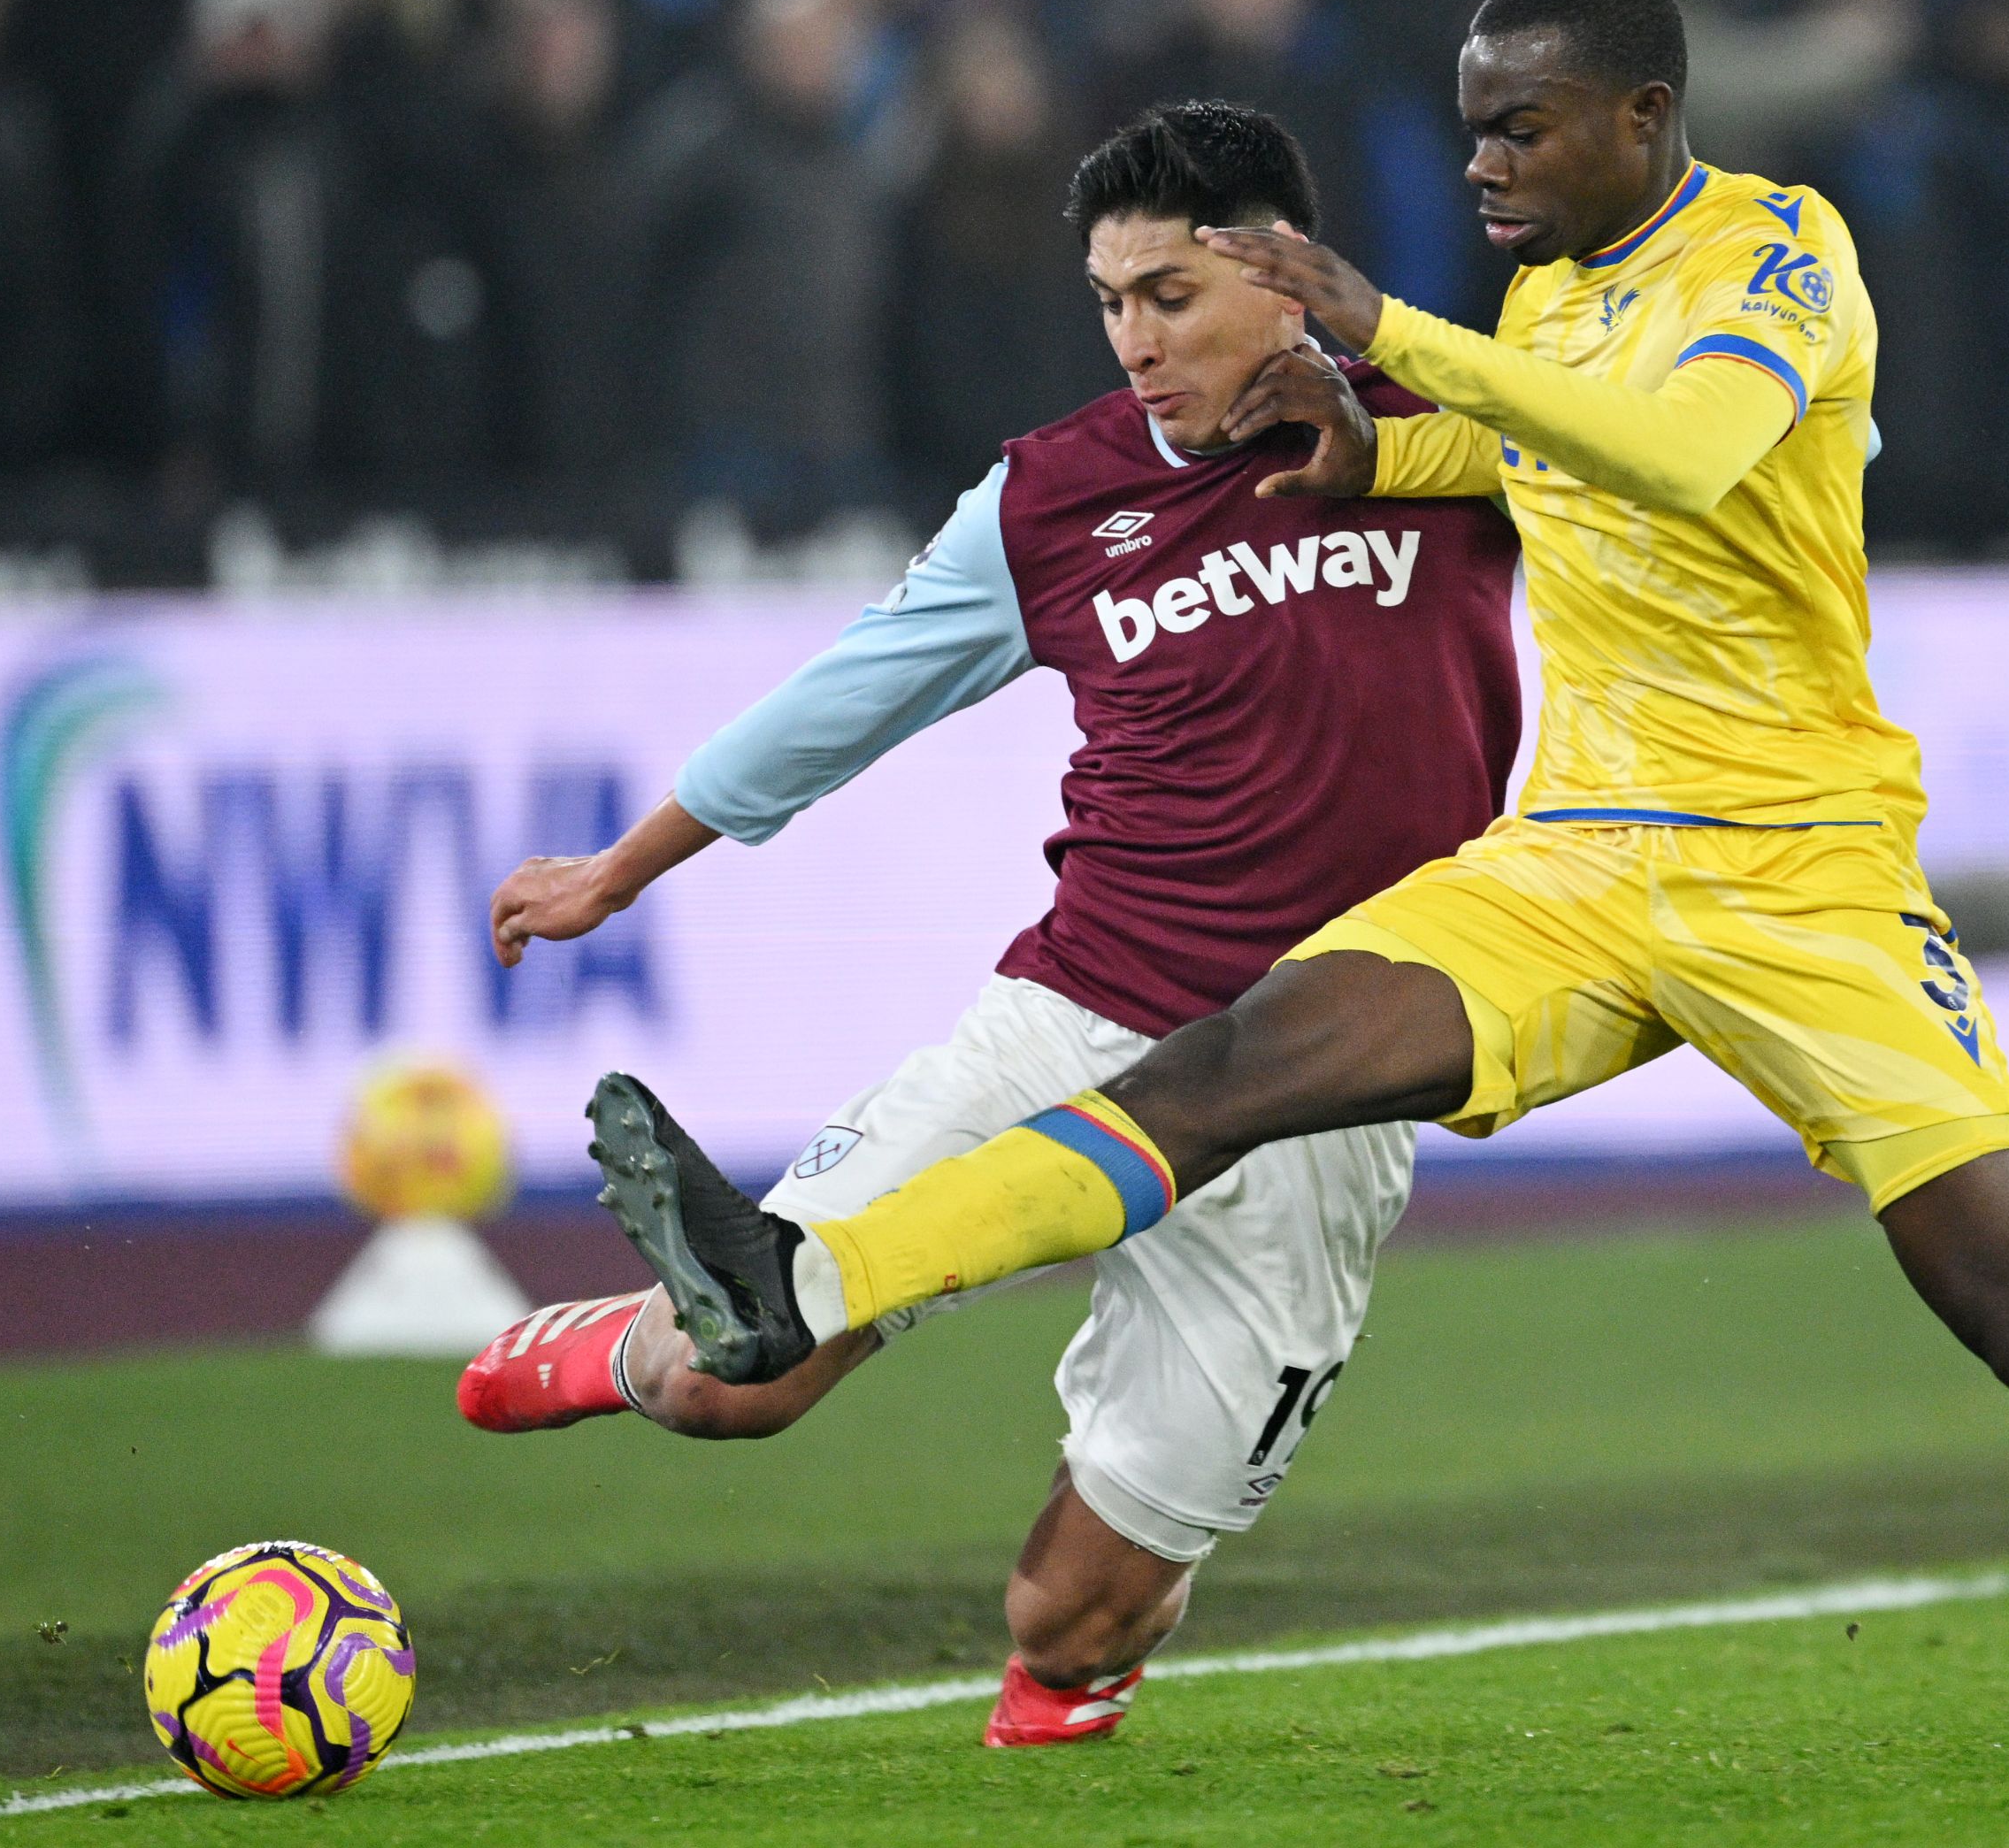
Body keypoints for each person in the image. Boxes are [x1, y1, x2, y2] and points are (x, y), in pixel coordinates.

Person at [594, 0, 2009, 1751]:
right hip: (1571, 858)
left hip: (1798, 878)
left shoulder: (1777, 251)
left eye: (1520, 127)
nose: (1482, 161)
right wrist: (1373, 437)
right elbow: (1502, 444)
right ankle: (801, 1274)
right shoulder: (1539, 298)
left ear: (1641, 115)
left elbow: (1670, 453)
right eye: (1470, 130)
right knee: (1226, 1062)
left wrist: (1397, 332)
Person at [469, 101, 1523, 1747]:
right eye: (1111, 303)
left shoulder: (1454, 431)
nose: (1136, 341)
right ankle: (629, 1343)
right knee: (736, 1378)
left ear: (1289, 275)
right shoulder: (1047, 502)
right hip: (1084, 1022)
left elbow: (1706, 473)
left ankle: (1071, 1684)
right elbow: (851, 697)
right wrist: (625, 865)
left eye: (1171, 294)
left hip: (1324, 1085)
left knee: (1074, 1609)